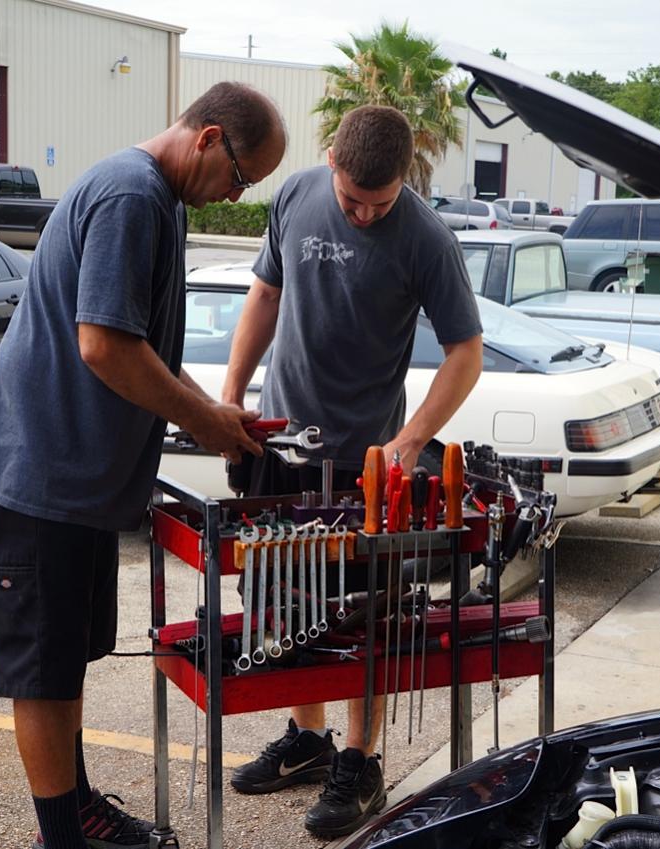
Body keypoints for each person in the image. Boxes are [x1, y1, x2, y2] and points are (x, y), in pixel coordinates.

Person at [0, 82, 285, 849]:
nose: (234, 195)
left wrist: (217, 411)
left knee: (65, 660)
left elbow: (144, 350)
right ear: (208, 137)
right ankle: (62, 838)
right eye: (240, 177)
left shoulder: (160, 201)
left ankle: (75, 810)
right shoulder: (132, 196)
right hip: (41, 475)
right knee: (42, 673)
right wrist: (200, 419)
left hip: (77, 484)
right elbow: (102, 345)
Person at [221, 104, 485, 838]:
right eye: (352, 201)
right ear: (332, 162)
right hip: (280, 446)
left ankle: (361, 760)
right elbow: (266, 294)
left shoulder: (426, 238)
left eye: (380, 204)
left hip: (368, 466)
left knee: (367, 617)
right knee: (283, 600)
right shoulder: (295, 194)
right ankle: (308, 738)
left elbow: (465, 352)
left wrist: (409, 441)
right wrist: (231, 395)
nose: (364, 215)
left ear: (405, 181)